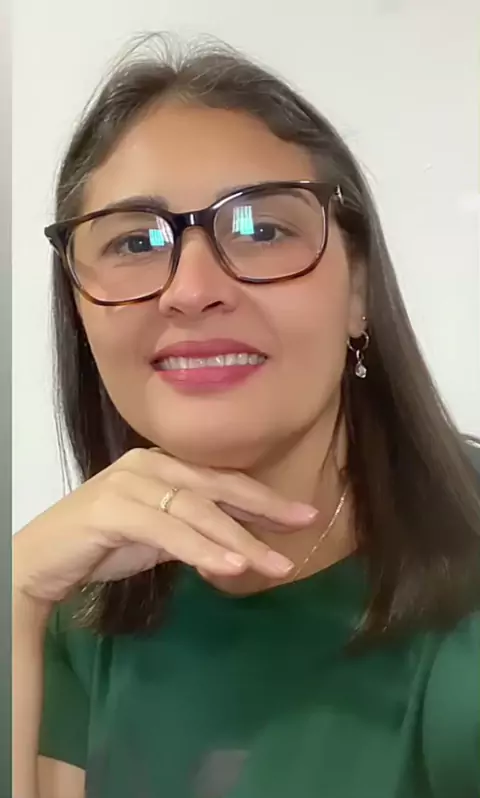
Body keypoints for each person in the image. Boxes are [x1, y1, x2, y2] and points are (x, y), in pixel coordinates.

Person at [13, 34, 480, 798]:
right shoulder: (78, 605)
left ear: (358, 291)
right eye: (134, 241)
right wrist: (15, 592)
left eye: (262, 230)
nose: (191, 290)